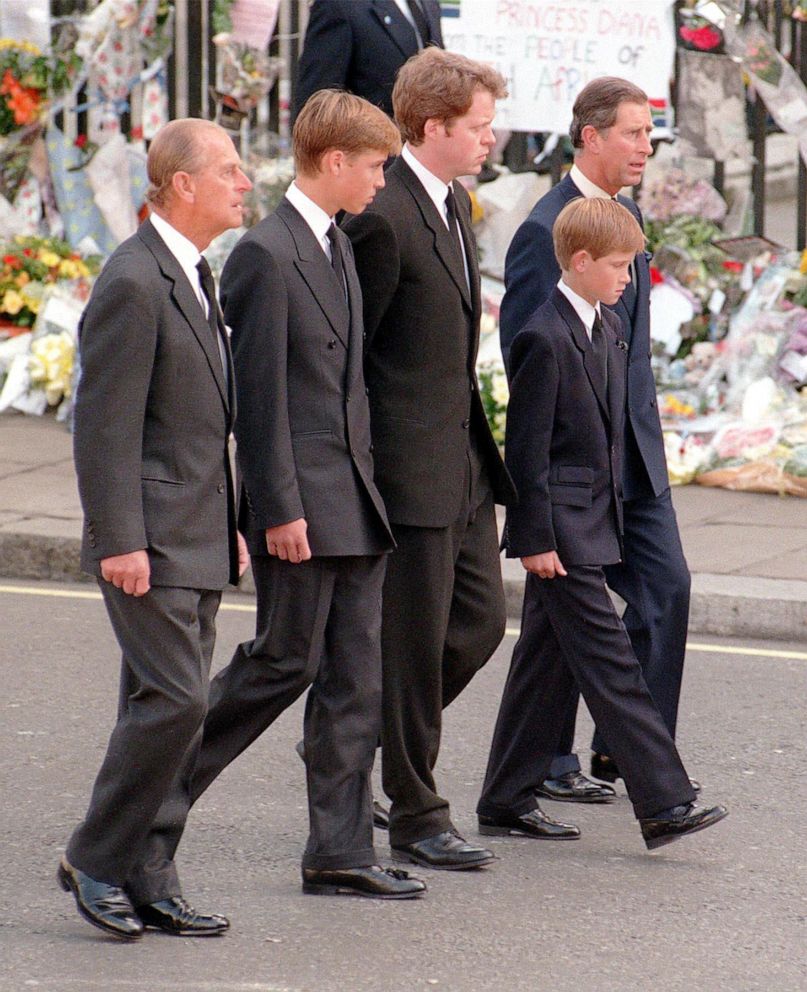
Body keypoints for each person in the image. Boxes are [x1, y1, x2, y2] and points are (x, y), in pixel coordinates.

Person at [137, 89, 426, 902]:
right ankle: (141, 811)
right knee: (279, 664)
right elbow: (256, 400)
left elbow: (348, 387)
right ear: (333, 161)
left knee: (354, 680)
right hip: (303, 505)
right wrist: (276, 510)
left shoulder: (336, 242)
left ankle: (338, 850)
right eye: (373, 166)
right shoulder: (265, 254)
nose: (380, 181)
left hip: (354, 501)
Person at [477, 198, 727, 850]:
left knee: (543, 666)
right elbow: (524, 452)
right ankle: (664, 801)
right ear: (580, 262)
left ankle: (505, 796)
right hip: (559, 533)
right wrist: (531, 538)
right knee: (613, 666)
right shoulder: (542, 335)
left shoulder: (607, 326)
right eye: (618, 265)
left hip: (594, 520)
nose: (628, 278)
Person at [58, 118, 252, 940]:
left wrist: (235, 522)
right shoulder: (134, 281)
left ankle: (150, 868)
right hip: (150, 535)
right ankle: (96, 858)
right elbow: (103, 427)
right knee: (174, 701)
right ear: (183, 185)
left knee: (170, 707)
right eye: (232, 171)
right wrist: (119, 540)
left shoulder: (196, 273)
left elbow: (204, 421)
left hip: (199, 527)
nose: (245, 183)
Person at [343, 47, 535, 873]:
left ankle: (359, 734)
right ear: (433, 127)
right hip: (406, 471)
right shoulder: (382, 215)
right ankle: (416, 812)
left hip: (460, 462)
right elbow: (353, 352)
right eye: (480, 126)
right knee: (415, 645)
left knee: (479, 625)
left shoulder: (453, 202)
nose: (491, 139)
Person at [498, 76, 696, 805]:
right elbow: (531, 362)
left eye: (649, 134)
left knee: (665, 588)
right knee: (558, 618)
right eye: (634, 133)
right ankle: (551, 764)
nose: (646, 145)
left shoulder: (627, 213)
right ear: (590, 136)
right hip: (578, 465)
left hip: (635, 452)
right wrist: (539, 501)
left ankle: (622, 751)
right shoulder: (541, 230)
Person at [293, 0, 443, 121]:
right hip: (374, 151)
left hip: (428, 152)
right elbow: (315, 104)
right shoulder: (339, 5)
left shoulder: (428, 4)